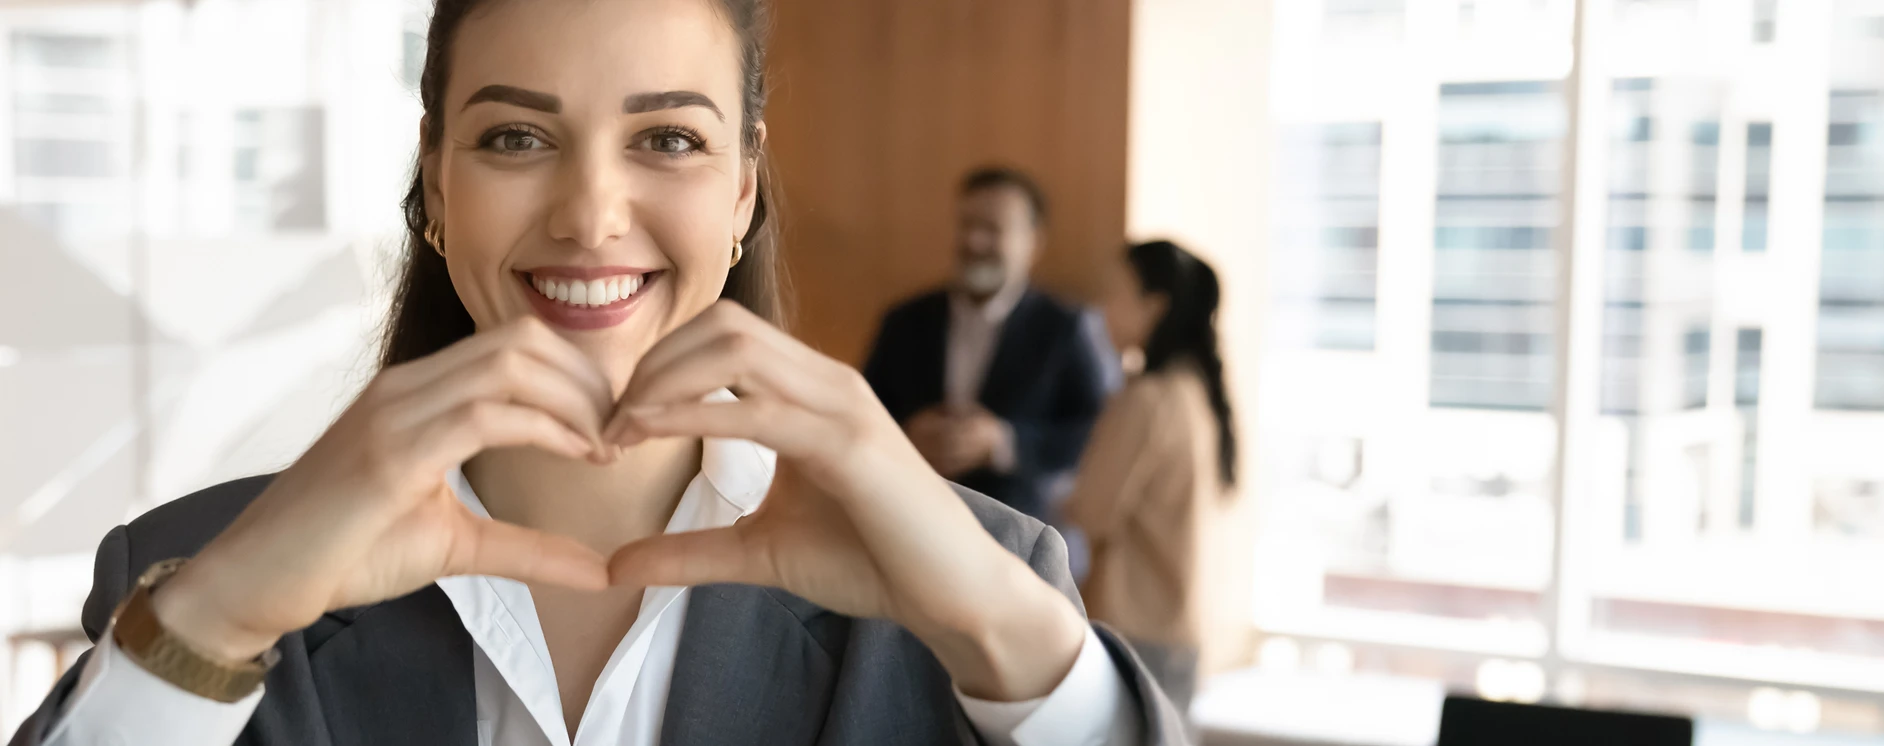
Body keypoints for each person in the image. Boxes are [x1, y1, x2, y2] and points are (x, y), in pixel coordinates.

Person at [7, 2, 1186, 744]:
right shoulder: (187, 577)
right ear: (435, 183)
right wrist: (215, 616)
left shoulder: (982, 591)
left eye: (667, 138)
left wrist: (999, 634)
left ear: (740, 192)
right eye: (514, 137)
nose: (589, 213)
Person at [863, 168, 1109, 524]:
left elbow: (1094, 431)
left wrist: (1002, 442)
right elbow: (866, 407)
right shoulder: (904, 320)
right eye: (966, 224)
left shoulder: (1064, 327)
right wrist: (904, 435)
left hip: (1017, 533)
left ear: (1033, 242)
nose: (974, 241)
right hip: (911, 519)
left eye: (993, 229)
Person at [1064, 240, 1237, 717]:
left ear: (1154, 306)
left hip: (1132, 627)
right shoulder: (1195, 392)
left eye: (1114, 294)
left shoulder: (1147, 399)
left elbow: (1091, 511)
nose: (1101, 310)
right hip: (1179, 626)